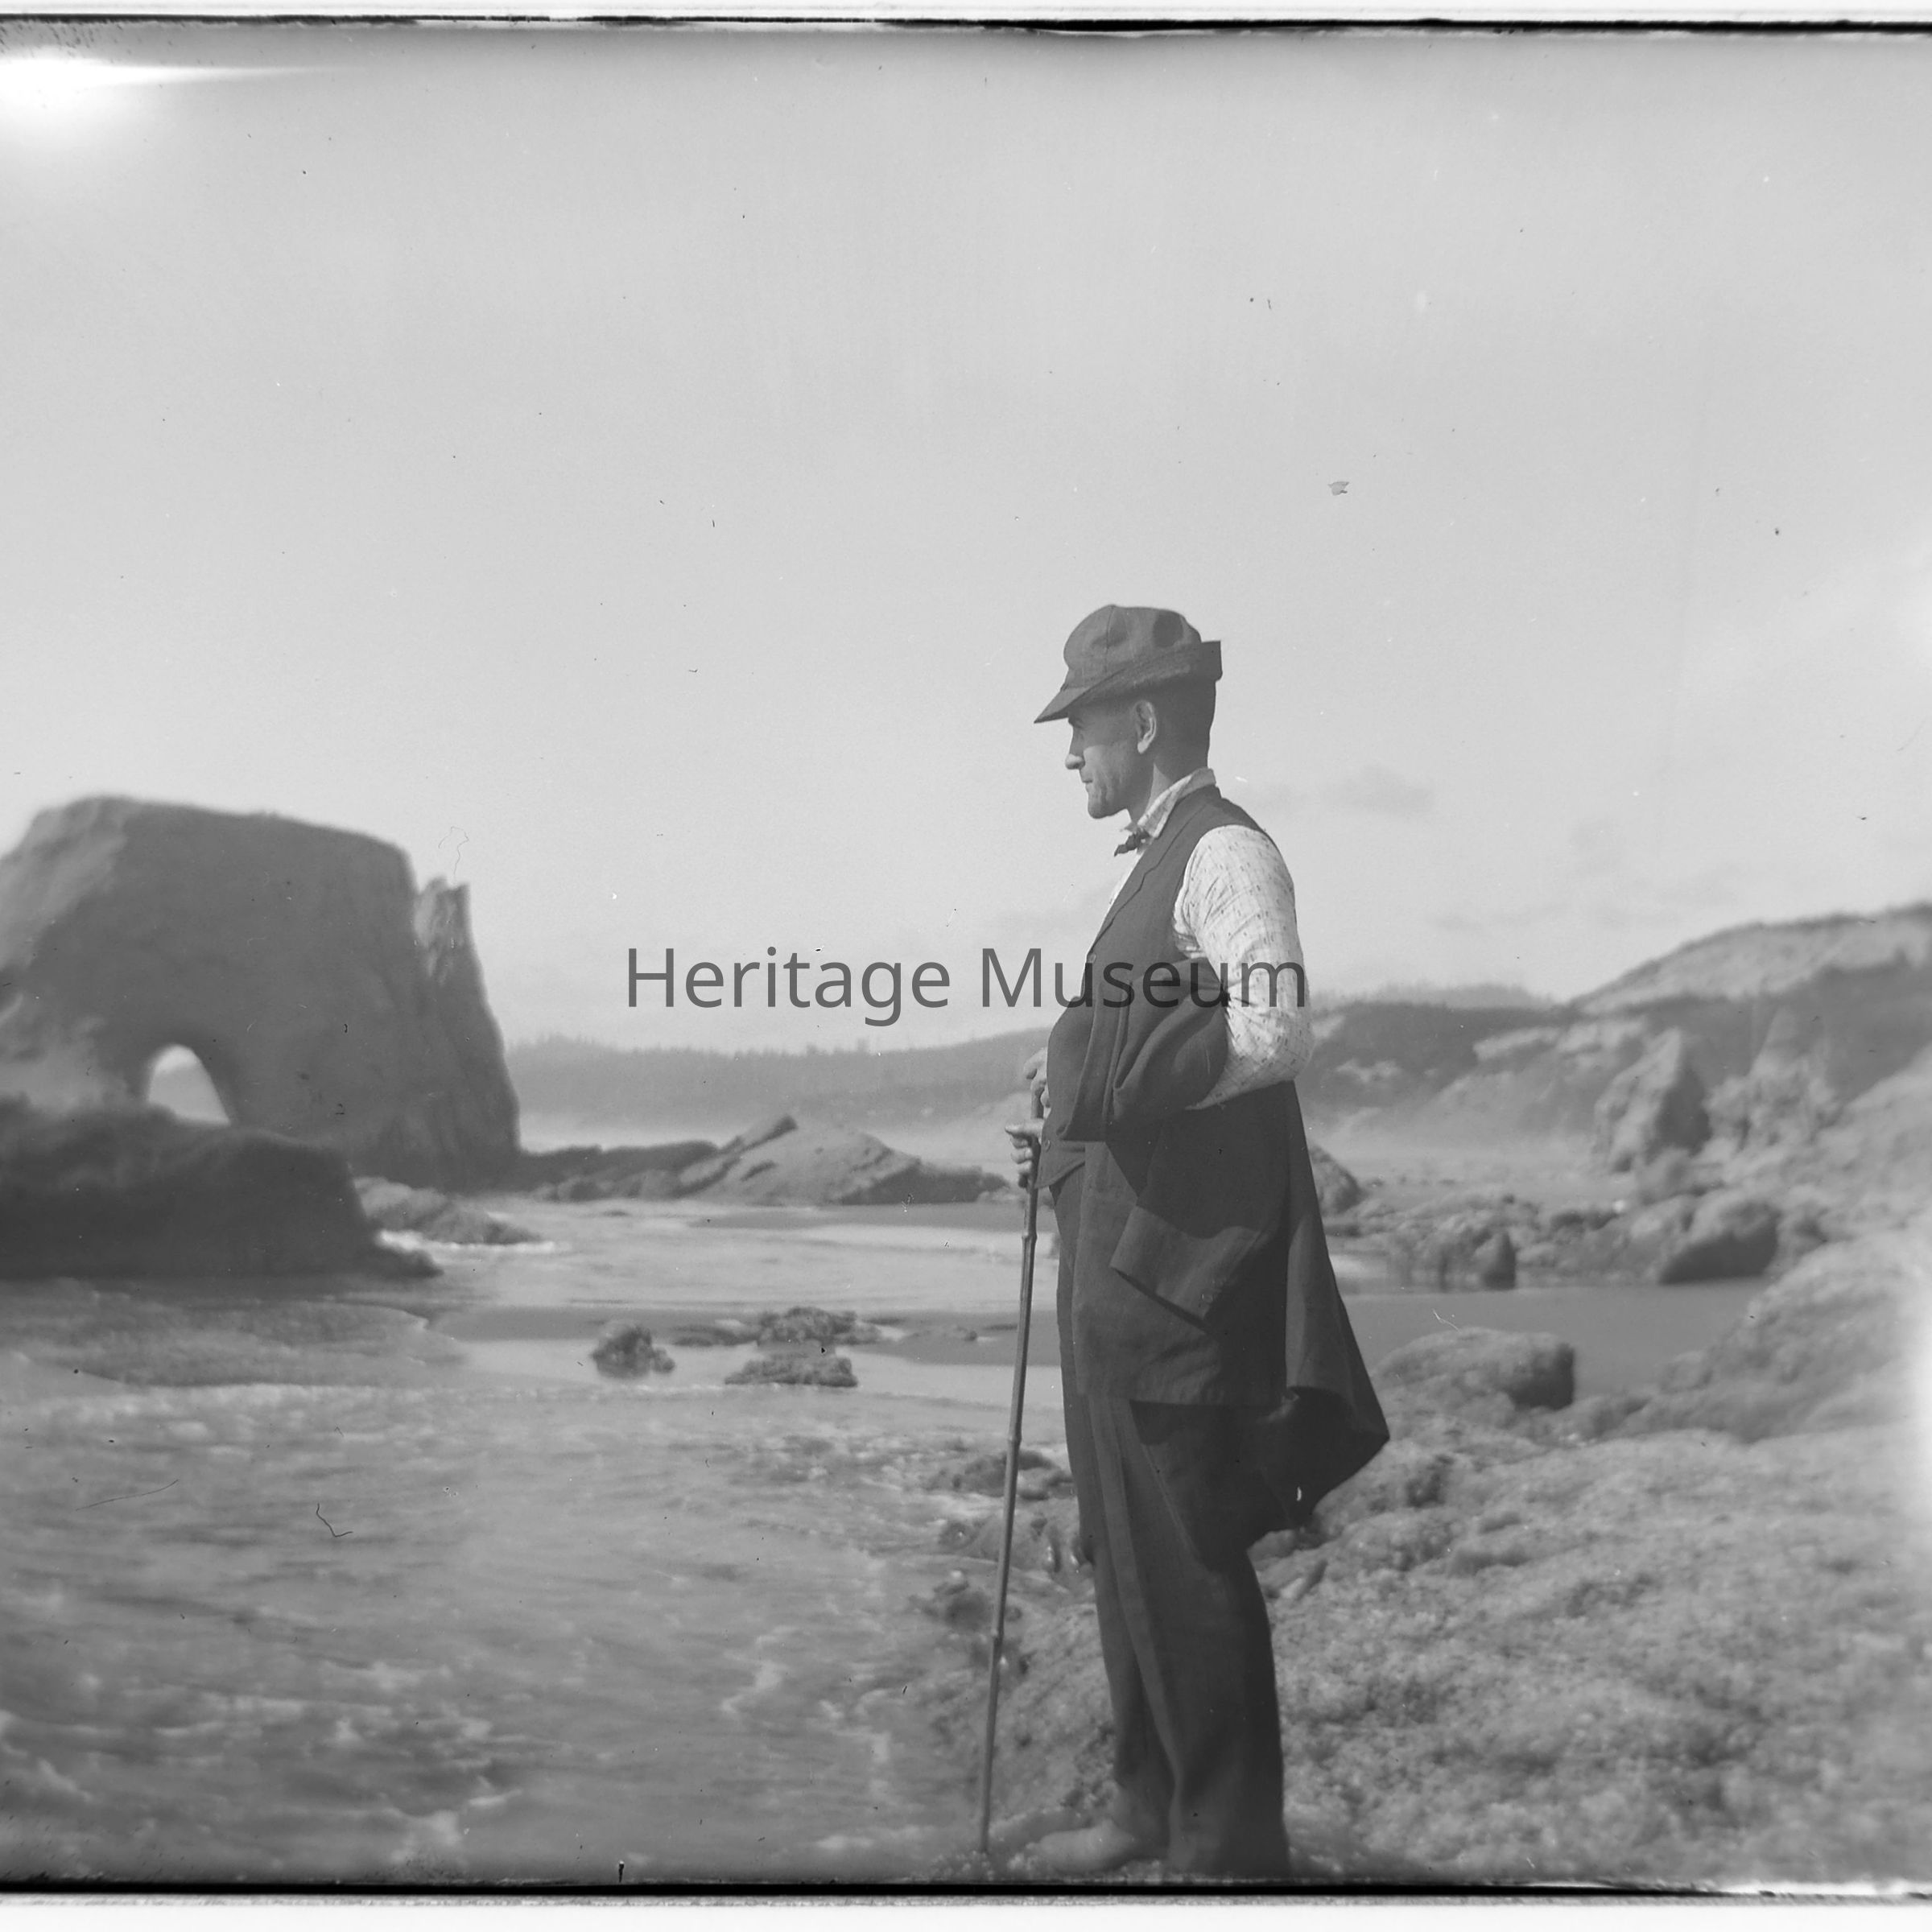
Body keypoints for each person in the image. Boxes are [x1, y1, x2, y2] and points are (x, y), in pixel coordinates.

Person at [1006, 604, 1388, 1881]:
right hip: (1115, 1258)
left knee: (1183, 1548)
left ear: (1144, 720)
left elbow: (1275, 1034)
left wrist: (1112, 1088)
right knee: (1120, 1542)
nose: (1070, 751)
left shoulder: (1225, 852)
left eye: (1082, 725)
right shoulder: (1150, 858)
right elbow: (1142, 1041)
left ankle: (1228, 1850)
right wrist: (1067, 1093)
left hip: (1175, 1273)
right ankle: (1146, 1807)